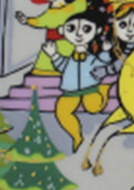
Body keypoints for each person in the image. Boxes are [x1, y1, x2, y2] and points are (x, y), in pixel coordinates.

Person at [42, 10, 112, 151]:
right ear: (63, 31)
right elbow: (62, 66)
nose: (79, 34)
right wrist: (54, 55)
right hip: (70, 91)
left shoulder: (91, 58)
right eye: (71, 28)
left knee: (94, 108)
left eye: (86, 29)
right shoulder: (70, 59)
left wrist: (105, 51)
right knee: (62, 112)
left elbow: (101, 62)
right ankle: (76, 137)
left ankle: (104, 91)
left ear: (97, 31)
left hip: (90, 88)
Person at [16, 0, 89, 76]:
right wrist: (26, 20)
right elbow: (40, 21)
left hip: (74, 43)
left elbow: (80, 6)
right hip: (56, 44)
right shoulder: (50, 14)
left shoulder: (72, 7)